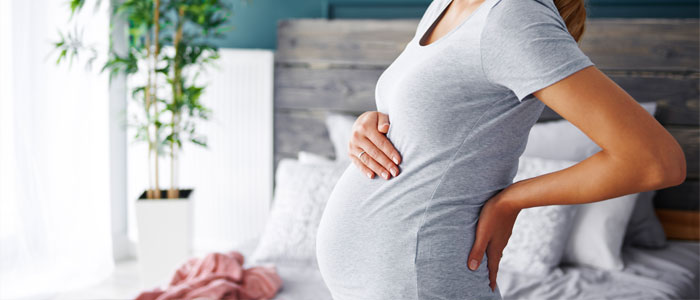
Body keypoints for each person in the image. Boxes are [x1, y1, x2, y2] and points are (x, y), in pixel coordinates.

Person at [315, 0, 687, 299]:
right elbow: (436, 117)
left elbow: (656, 161)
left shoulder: (513, 16)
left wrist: (512, 200)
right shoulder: (444, 6)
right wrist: (375, 121)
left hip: (416, 280)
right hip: (378, 280)